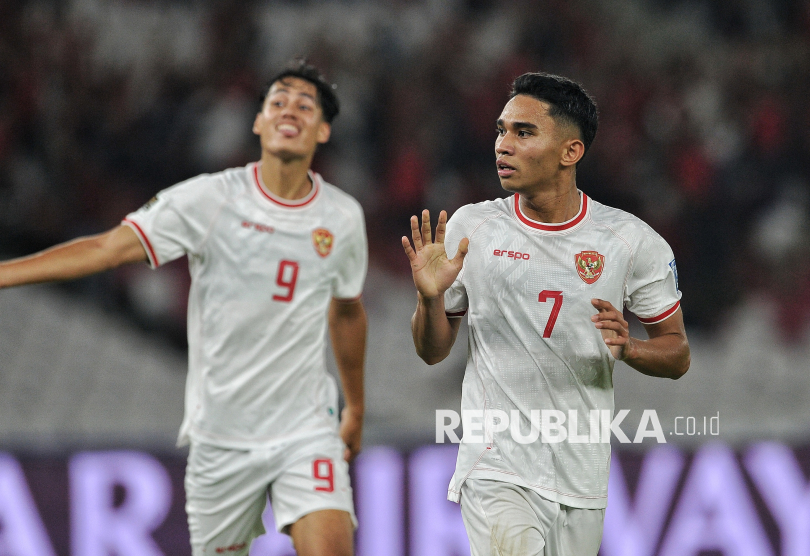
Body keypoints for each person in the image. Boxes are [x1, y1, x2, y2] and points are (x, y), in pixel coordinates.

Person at [0, 59, 367, 556]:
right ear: (258, 121)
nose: (289, 111)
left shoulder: (343, 216)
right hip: (222, 434)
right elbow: (106, 249)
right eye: (277, 101)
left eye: (305, 105)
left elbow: (347, 311)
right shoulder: (208, 200)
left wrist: (356, 405)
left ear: (323, 130)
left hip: (306, 427)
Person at [402, 72, 690, 555]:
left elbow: (677, 352)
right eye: (501, 130)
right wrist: (430, 297)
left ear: (570, 152)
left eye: (524, 132)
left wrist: (631, 347)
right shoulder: (474, 227)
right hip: (497, 466)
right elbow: (433, 352)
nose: (503, 145)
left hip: (582, 475)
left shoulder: (627, 241)